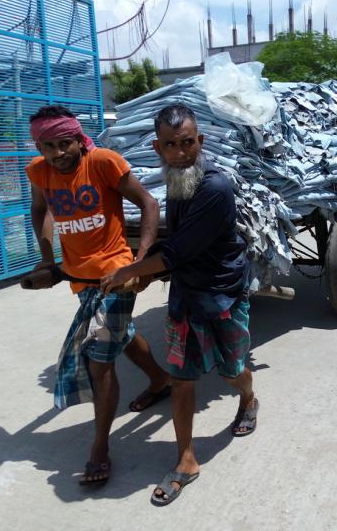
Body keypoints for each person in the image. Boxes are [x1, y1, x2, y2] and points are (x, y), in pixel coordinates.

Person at [100, 104, 257, 506]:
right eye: (171, 145)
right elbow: (176, 243)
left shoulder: (215, 188)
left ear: (200, 141)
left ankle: (249, 399)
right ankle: (186, 459)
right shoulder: (175, 183)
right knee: (182, 378)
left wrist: (129, 271)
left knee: (232, 371)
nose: (181, 152)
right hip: (186, 296)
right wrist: (143, 271)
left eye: (188, 143)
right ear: (158, 148)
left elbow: (180, 250)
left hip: (222, 295)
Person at [25, 105, 170, 486]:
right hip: (78, 278)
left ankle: (100, 447)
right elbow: (40, 210)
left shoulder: (104, 162)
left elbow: (149, 204)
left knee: (99, 360)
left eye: (64, 143)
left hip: (115, 274)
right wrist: (47, 262)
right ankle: (159, 379)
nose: (57, 153)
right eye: (47, 146)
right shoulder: (39, 172)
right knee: (120, 336)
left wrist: (138, 264)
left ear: (78, 139)